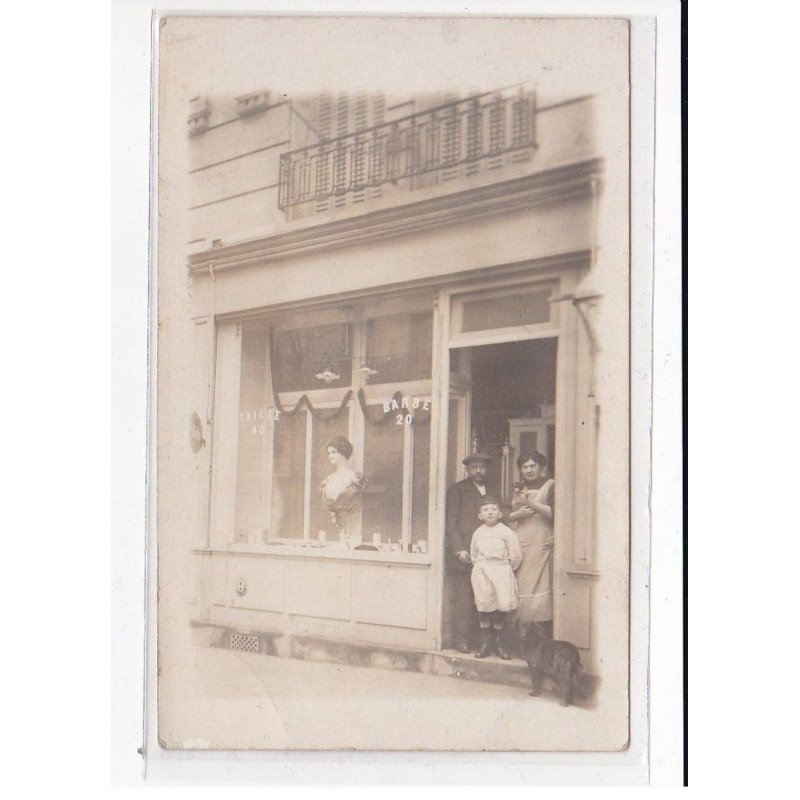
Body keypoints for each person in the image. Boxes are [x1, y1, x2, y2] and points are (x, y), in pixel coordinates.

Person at [444, 451, 500, 653]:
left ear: (487, 469)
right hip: (465, 555)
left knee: (488, 597)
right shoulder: (457, 490)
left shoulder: (493, 489)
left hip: (489, 554)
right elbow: (451, 524)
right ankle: (461, 639)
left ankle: (485, 642)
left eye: (482, 467)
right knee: (465, 599)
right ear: (467, 469)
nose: (478, 471)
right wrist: (459, 549)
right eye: (474, 467)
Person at [508, 450, 555, 638]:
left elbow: (554, 513)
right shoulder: (519, 487)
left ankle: (539, 637)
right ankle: (521, 637)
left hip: (541, 540)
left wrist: (530, 504)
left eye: (533, 465)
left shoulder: (550, 485)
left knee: (539, 585)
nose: (528, 470)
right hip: (520, 540)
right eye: (524, 466)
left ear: (541, 467)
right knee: (520, 585)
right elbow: (514, 513)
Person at [469, 496, 523, 659]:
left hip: (501, 572)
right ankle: (486, 644)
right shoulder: (478, 533)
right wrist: (481, 567)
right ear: (480, 515)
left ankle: (500, 644)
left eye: (493, 509)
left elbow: (516, 556)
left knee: (500, 609)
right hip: (483, 572)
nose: (490, 512)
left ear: (500, 513)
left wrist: (505, 569)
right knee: (485, 607)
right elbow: (473, 554)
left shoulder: (506, 532)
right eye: (486, 510)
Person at [320, 435, 367, 531]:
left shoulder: (357, 479)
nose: (330, 456)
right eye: (328, 453)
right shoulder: (328, 480)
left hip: (353, 527)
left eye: (333, 452)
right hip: (331, 531)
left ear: (343, 453)